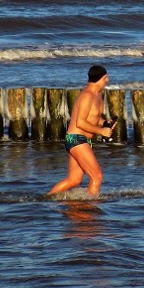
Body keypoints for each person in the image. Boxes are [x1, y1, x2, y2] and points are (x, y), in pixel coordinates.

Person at [49, 65, 115, 197]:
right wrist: (101, 131)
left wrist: (105, 123)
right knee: (97, 177)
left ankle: (45, 200)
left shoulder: (98, 95)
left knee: (74, 180)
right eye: (105, 78)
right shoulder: (87, 95)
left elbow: (93, 117)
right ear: (99, 79)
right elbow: (80, 122)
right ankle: (91, 208)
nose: (107, 80)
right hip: (75, 139)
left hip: (82, 141)